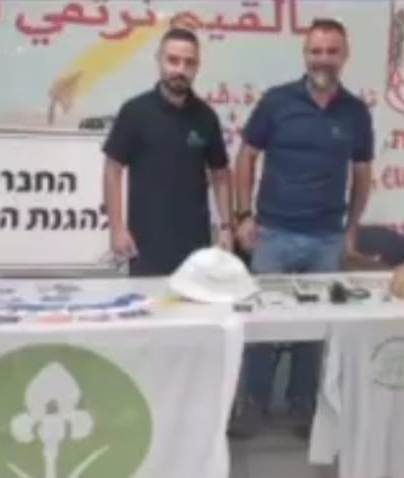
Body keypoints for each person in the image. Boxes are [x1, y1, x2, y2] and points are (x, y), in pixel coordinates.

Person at [231, 18, 375, 437]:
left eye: (331, 51)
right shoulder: (277, 102)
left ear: (344, 55)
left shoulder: (355, 112)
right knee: (261, 324)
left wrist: (352, 227)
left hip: (326, 239)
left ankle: (303, 406)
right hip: (273, 234)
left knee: (317, 329)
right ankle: (253, 404)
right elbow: (246, 156)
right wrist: (243, 216)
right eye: (316, 51)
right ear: (305, 54)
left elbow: (362, 173)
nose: (323, 59)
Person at [103, 27, 233, 277]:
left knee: (195, 301)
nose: (180, 69)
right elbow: (112, 171)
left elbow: (220, 174)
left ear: (197, 66)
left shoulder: (206, 117)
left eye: (189, 62)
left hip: (196, 244)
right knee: (149, 302)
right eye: (173, 60)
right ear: (159, 60)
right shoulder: (135, 112)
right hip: (145, 243)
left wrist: (226, 227)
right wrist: (117, 228)